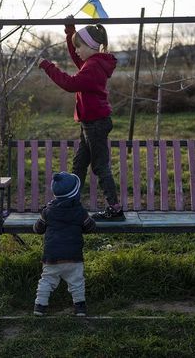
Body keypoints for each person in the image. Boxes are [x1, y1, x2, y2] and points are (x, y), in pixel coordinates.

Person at [39, 18, 123, 221]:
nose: (76, 51)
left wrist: (49, 67)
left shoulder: (93, 67)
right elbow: (77, 57)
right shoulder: (93, 62)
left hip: (95, 124)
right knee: (78, 166)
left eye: (79, 47)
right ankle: (71, 204)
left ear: (90, 47)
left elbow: (69, 84)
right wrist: (70, 33)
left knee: (100, 166)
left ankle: (115, 208)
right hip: (90, 123)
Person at [33, 172, 96, 317]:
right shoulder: (79, 211)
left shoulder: (48, 211)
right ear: (75, 194)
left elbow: (38, 229)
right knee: (76, 282)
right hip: (73, 256)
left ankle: (40, 306)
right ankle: (80, 307)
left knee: (47, 280)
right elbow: (90, 227)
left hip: (52, 256)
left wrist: (40, 221)